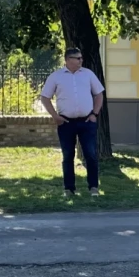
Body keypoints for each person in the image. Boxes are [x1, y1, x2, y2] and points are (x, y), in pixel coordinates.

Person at [40, 48, 105, 198]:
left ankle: (93, 187)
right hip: (66, 122)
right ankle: (69, 189)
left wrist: (95, 114)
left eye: (81, 58)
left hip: (87, 121)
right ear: (68, 59)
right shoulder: (56, 76)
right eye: (78, 58)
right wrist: (55, 116)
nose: (81, 60)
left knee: (90, 154)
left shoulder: (88, 74)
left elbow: (99, 94)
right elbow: (45, 97)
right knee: (68, 155)